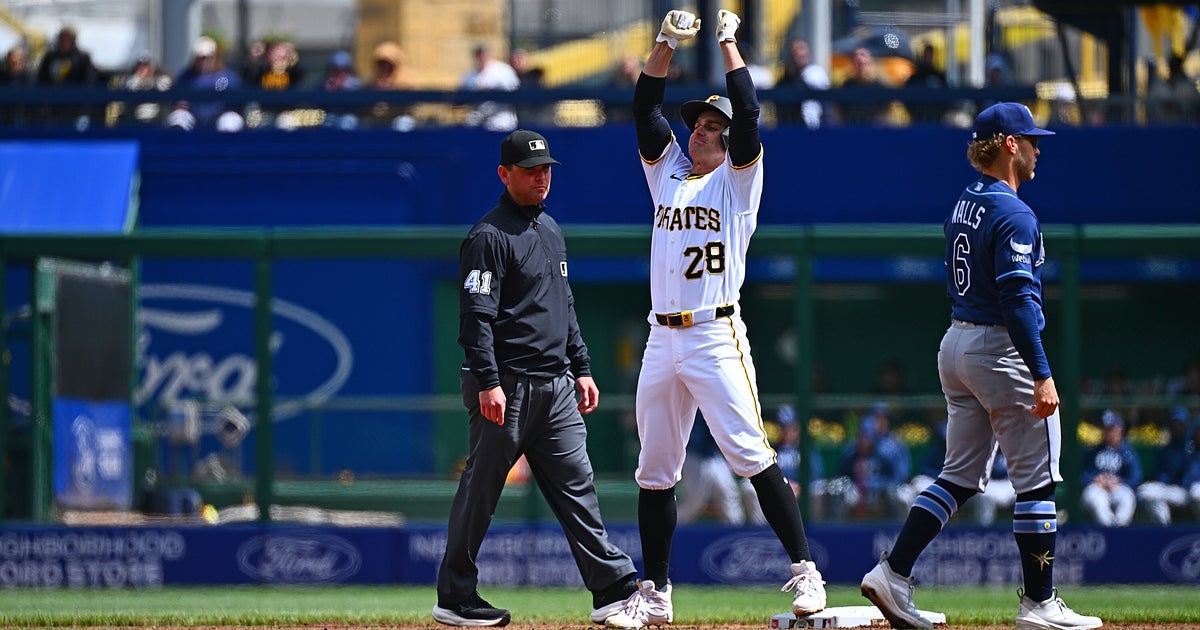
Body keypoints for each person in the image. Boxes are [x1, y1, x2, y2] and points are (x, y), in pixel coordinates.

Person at [605, 10, 827, 628]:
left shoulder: (738, 182)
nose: (701, 131)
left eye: (711, 125)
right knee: (654, 471)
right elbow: (645, 105)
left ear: (728, 142)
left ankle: (806, 573)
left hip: (714, 331)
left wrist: (728, 41)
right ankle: (655, 592)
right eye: (699, 124)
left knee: (751, 455)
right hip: (660, 335)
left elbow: (749, 113)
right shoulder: (669, 171)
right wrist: (667, 43)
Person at [859, 102, 1102, 630]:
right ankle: (1040, 603)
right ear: (1010, 145)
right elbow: (1017, 300)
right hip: (998, 348)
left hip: (957, 341)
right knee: (1036, 483)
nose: (1040, 148)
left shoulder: (967, 200)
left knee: (961, 476)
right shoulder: (1014, 211)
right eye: (1032, 139)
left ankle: (893, 571)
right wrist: (1041, 372)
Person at [433, 129, 638, 628]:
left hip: (556, 385)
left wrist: (583, 367)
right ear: (504, 175)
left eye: (546, 168)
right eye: (530, 170)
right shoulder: (488, 236)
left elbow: (564, 307)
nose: (541, 177)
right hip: (507, 384)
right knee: (482, 491)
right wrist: (487, 381)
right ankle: (455, 597)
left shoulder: (551, 230)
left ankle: (611, 588)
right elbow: (474, 318)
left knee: (578, 487)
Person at [815, 404, 911, 520]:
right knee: (837, 491)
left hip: (880, 491)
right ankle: (835, 532)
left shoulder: (887, 452)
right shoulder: (850, 453)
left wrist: (876, 484)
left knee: (892, 493)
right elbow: (841, 475)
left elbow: (898, 478)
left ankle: (893, 532)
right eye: (862, 436)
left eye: (868, 437)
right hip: (856, 490)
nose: (865, 441)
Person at [677, 412, 746, 526]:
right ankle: (671, 531)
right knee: (694, 503)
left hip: (714, 456)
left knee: (728, 497)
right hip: (695, 453)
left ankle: (737, 536)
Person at [1080, 409, 1142, 527]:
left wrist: (1118, 481)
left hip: (1118, 488)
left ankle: (1119, 532)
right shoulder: (1092, 451)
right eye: (1105, 428)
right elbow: (1082, 476)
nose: (1107, 432)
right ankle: (1110, 532)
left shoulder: (1128, 452)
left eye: (1111, 429)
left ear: (1120, 430)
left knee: (1127, 499)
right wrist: (1095, 479)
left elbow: (1136, 478)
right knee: (1097, 500)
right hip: (1098, 489)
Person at [1136, 407, 1197, 525]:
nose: (1177, 428)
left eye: (1180, 424)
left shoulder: (1192, 448)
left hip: (1185, 491)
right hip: (1167, 489)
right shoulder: (1164, 448)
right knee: (1146, 493)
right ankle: (1164, 530)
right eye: (1174, 424)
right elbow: (1159, 474)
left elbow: (1190, 477)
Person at [172, 35, 244, 129]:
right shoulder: (185, 77)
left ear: (215, 57)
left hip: (220, 117)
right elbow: (176, 98)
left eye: (208, 57)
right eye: (201, 57)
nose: (204, 61)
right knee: (179, 118)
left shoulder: (227, 77)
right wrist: (180, 104)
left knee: (229, 120)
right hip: (194, 118)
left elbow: (238, 100)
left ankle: (226, 143)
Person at [461, 44, 520, 131]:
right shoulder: (470, 74)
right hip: (479, 113)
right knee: (469, 126)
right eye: (479, 55)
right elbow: (462, 95)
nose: (482, 57)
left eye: (484, 54)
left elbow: (515, 91)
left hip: (501, 114)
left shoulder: (503, 70)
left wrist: (494, 89)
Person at [777, 37, 830, 130]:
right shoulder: (784, 81)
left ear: (808, 52)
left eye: (801, 49)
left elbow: (826, 105)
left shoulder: (816, 73)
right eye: (794, 51)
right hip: (791, 129)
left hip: (816, 128)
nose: (797, 53)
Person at [903, 44, 949, 124]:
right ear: (923, 56)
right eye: (926, 54)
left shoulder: (939, 76)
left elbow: (947, 95)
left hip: (936, 116)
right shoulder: (916, 77)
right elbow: (907, 95)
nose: (928, 57)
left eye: (930, 54)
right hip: (918, 116)